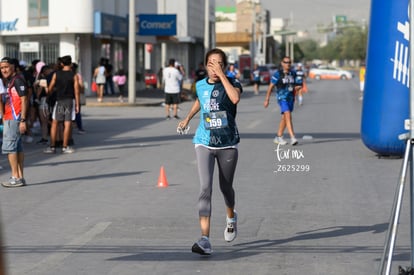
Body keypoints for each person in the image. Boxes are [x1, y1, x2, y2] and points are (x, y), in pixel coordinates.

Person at [177, 48, 242, 255]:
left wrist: (223, 76)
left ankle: (231, 217)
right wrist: (187, 118)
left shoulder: (233, 83)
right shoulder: (200, 85)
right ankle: (205, 239)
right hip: (203, 141)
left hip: (227, 143)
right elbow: (200, 101)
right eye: (211, 63)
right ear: (206, 65)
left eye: (219, 63)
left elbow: (234, 99)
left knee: (226, 187)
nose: (215, 67)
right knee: (205, 188)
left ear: (225, 66)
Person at [0, 57, 29, 187]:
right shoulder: (11, 81)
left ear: (13, 67)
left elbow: (24, 99)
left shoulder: (17, 80)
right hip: (11, 117)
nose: (4, 70)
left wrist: (22, 119)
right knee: (17, 148)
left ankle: (15, 177)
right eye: (1, 68)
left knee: (10, 148)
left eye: (6, 67)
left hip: (14, 118)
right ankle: (20, 177)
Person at [43, 55, 80, 154]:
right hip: (69, 101)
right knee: (67, 123)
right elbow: (77, 91)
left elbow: (50, 88)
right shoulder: (74, 75)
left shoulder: (56, 74)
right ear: (71, 63)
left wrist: (48, 94)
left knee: (55, 122)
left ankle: (52, 146)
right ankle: (65, 146)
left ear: (62, 64)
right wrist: (77, 104)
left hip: (59, 101)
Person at [264, 56, 299, 146]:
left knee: (284, 118)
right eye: (286, 62)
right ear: (282, 63)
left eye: (289, 62)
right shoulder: (278, 74)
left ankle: (278, 137)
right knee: (287, 114)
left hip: (291, 98)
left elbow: (296, 85)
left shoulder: (293, 73)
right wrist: (267, 99)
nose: (288, 64)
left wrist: (298, 88)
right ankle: (292, 137)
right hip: (282, 98)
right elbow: (270, 87)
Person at [72, 62, 86, 134]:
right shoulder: (77, 76)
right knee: (77, 113)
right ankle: (80, 128)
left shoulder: (67, 74)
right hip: (75, 96)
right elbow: (81, 87)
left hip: (67, 97)